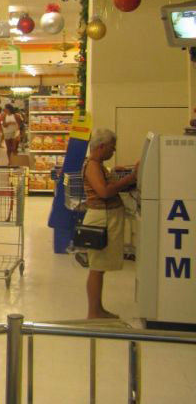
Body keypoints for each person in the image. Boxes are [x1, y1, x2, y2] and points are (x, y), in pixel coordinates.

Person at [82, 129, 137, 319]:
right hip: (101, 220)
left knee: (99, 268)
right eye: (112, 147)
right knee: (97, 268)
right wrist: (130, 178)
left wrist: (115, 173)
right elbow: (104, 192)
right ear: (102, 146)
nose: (113, 151)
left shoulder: (98, 165)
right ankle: (93, 312)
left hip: (105, 218)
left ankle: (98, 309)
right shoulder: (92, 166)